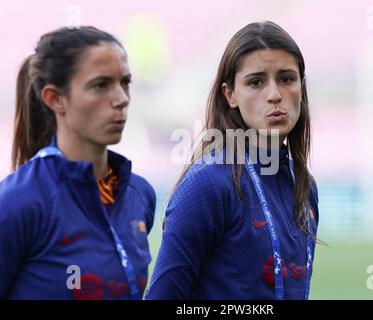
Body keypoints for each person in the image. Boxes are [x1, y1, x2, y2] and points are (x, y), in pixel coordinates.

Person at [145, 21, 319, 300]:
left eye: (286, 79)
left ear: (302, 86)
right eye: (256, 82)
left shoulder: (304, 187)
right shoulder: (209, 183)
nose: (274, 95)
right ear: (230, 95)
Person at [0, 26, 156, 300]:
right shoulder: (17, 202)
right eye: (101, 85)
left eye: (125, 82)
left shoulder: (139, 194)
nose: (122, 99)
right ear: (55, 98)